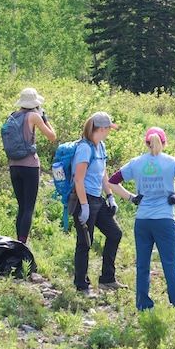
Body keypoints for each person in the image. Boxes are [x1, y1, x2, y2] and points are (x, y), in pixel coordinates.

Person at [108, 127, 175, 322]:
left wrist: (131, 198)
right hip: (165, 220)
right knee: (169, 265)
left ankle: (144, 308)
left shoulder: (136, 163)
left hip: (143, 220)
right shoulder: (171, 162)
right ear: (164, 142)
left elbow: (112, 182)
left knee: (142, 265)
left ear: (146, 143)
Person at [72, 111, 127, 297]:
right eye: (109, 129)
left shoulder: (100, 146)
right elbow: (78, 180)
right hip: (84, 199)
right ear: (102, 129)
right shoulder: (84, 148)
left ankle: (107, 279)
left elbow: (103, 173)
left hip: (98, 199)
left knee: (115, 233)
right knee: (85, 243)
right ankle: (82, 285)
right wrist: (84, 206)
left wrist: (110, 195)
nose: (110, 132)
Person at [9, 88, 57, 243]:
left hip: (13, 165)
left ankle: (18, 241)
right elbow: (52, 136)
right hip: (29, 165)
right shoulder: (34, 116)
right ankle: (23, 244)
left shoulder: (13, 116)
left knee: (21, 207)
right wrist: (44, 117)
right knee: (29, 207)